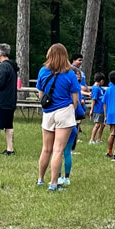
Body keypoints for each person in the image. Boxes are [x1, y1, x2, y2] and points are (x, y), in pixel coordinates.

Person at [36, 43, 81, 192]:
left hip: (48, 112)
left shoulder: (43, 71)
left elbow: (41, 94)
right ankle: (53, 183)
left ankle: (40, 179)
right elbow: (75, 98)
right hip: (64, 111)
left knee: (46, 149)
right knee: (58, 150)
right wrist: (72, 110)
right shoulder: (70, 74)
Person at [0, 43, 19, 157]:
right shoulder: (12, 66)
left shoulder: (3, 66)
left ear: (0, 54)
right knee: (8, 126)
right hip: (10, 101)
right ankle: (9, 149)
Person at [88, 72, 107, 144]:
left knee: (102, 125)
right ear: (101, 80)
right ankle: (92, 139)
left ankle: (98, 139)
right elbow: (94, 99)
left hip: (102, 109)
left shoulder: (100, 88)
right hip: (97, 109)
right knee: (97, 125)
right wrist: (92, 110)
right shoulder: (95, 88)